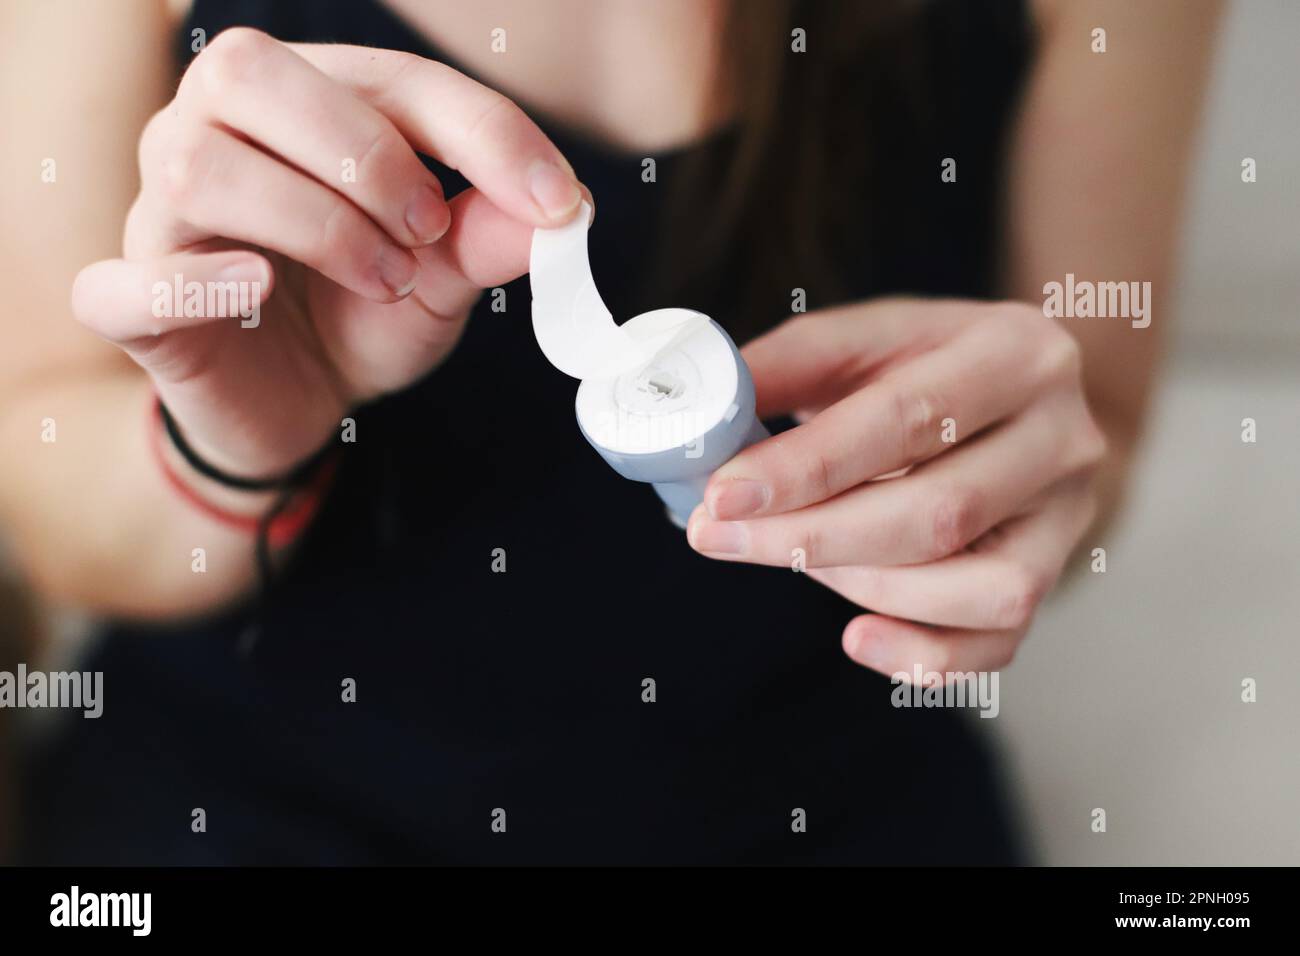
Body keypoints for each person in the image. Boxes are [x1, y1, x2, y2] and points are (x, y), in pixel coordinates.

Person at [0, 0, 1220, 864]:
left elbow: (1092, 425)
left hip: (813, 793)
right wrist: (227, 446)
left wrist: (1005, 493)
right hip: (259, 794)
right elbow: (48, 493)